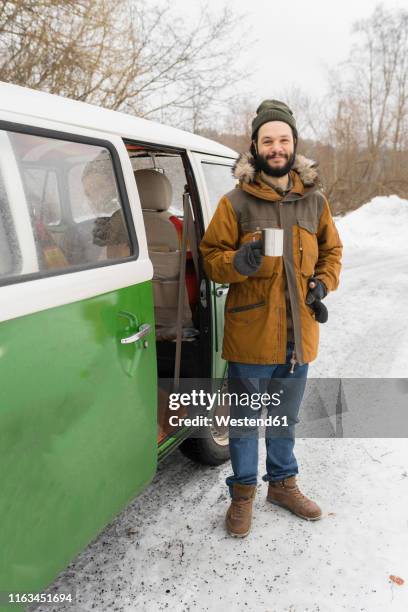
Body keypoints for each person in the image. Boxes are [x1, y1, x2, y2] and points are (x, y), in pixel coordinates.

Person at [199, 99, 343, 537]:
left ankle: (282, 485)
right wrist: (240, 259)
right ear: (255, 147)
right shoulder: (234, 203)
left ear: (293, 144)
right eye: (267, 140)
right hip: (251, 334)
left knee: (285, 418)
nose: (276, 147)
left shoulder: (314, 202)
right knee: (244, 421)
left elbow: (333, 252)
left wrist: (320, 285)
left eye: (283, 139)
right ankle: (242, 496)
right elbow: (210, 259)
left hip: (299, 336)